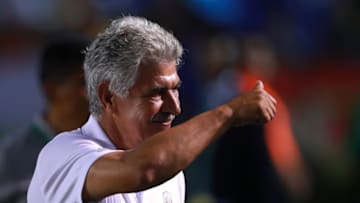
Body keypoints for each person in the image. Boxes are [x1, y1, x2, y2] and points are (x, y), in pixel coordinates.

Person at [27, 16, 277, 203]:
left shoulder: (170, 171)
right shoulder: (61, 155)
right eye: (156, 93)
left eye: (175, 90)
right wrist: (228, 113)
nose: (175, 108)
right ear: (109, 96)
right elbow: (143, 169)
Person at [207, 35, 310, 203]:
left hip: (236, 183)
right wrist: (291, 172)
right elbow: (275, 143)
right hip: (256, 184)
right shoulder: (253, 94)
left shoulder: (231, 88)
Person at [0, 38, 89, 203]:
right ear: (52, 90)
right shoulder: (11, 158)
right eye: (84, 83)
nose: (96, 94)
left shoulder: (114, 146)